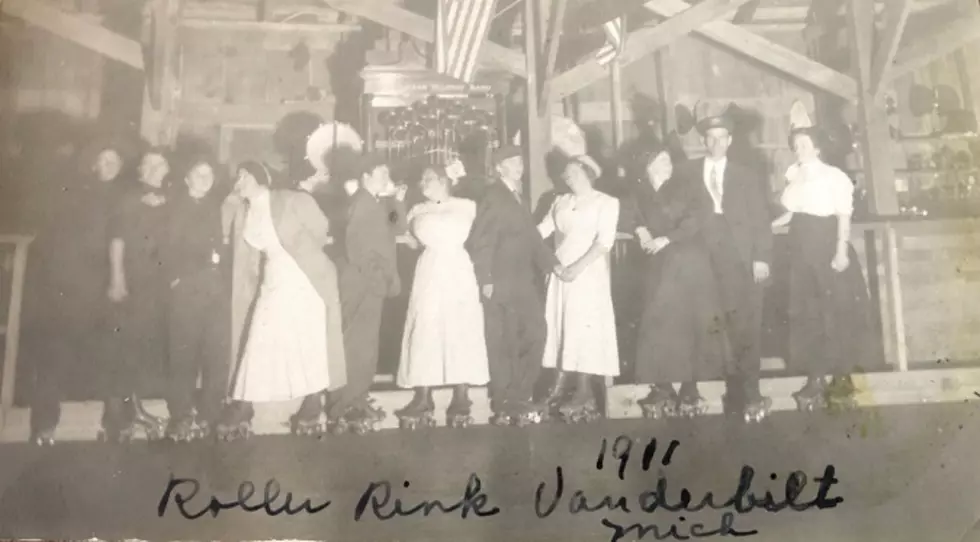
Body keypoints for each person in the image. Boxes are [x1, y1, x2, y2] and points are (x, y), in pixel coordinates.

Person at [217, 161, 347, 440]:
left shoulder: (292, 199)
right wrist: (231, 197)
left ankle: (312, 402)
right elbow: (236, 243)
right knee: (258, 338)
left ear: (260, 177)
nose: (239, 180)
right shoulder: (243, 211)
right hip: (272, 278)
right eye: (237, 176)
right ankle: (244, 403)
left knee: (308, 339)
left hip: (305, 277)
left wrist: (304, 255)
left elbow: (321, 229)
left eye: (244, 175)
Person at [26, 139, 130, 445]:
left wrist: (117, 279)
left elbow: (123, 238)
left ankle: (115, 424)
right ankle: (44, 425)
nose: (109, 166)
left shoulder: (125, 196)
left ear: (121, 167)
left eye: (115, 161)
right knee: (57, 352)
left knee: (114, 352)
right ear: (94, 165)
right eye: (104, 160)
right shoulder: (77, 195)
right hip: (75, 285)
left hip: (111, 286)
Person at [680, 111, 774, 423]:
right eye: (710, 137)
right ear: (703, 140)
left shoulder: (746, 174)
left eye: (722, 138)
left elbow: (761, 218)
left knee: (744, 323)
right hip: (701, 256)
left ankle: (749, 394)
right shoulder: (688, 172)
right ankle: (693, 391)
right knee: (703, 321)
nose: (716, 142)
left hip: (739, 257)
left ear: (730, 141)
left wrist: (761, 257)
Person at [622, 145, 728, 419]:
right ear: (648, 165)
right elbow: (629, 213)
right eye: (661, 161)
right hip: (657, 266)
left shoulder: (687, 186)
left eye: (669, 161)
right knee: (659, 324)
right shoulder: (639, 191)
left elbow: (700, 214)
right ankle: (663, 386)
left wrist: (668, 238)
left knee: (689, 323)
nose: (667, 165)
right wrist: (640, 230)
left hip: (688, 261)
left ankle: (690, 387)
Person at [772, 126, 873, 412]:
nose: (799, 149)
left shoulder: (833, 176)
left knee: (835, 311)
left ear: (817, 147)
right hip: (801, 249)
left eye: (804, 144)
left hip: (828, 246)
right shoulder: (795, 175)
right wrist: (775, 223)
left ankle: (841, 377)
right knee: (807, 313)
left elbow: (843, 214)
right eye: (796, 145)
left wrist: (841, 250)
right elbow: (795, 209)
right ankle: (814, 376)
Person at [467, 146, 562, 426]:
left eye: (520, 160)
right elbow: (481, 241)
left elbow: (532, 238)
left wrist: (553, 264)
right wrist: (485, 279)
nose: (519, 165)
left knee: (534, 333)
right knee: (505, 341)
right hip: (501, 281)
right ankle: (507, 399)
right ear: (499, 168)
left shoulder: (518, 196)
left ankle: (519, 395)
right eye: (512, 162)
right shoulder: (494, 196)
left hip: (523, 280)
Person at [394, 161, 490, 429]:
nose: (422, 184)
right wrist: (396, 203)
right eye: (421, 180)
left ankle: (462, 395)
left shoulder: (467, 205)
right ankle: (423, 395)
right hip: (428, 271)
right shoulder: (416, 209)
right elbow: (397, 227)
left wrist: (466, 174)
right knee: (425, 328)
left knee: (460, 328)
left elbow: (487, 218)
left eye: (428, 179)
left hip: (458, 270)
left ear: (444, 180)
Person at [325, 154, 406, 434]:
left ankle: (356, 399)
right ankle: (344, 404)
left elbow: (398, 227)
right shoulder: (361, 202)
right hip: (362, 281)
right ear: (366, 176)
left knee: (365, 344)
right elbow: (356, 248)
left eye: (387, 172)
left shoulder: (376, 202)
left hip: (370, 282)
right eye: (381, 173)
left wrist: (395, 200)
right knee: (355, 343)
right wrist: (378, 278)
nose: (386, 177)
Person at [538, 155, 621, 423]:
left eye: (572, 172)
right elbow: (540, 231)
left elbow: (604, 242)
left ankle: (584, 391)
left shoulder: (606, 202)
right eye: (565, 173)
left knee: (583, 325)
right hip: (560, 270)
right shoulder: (560, 201)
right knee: (562, 325)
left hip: (587, 272)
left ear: (588, 173)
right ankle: (560, 385)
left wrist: (577, 268)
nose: (566, 177)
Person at [102, 147, 172, 442]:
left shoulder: (170, 199)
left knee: (143, 346)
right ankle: (118, 416)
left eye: (160, 164)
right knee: (126, 346)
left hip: (158, 284)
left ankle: (133, 408)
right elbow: (117, 239)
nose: (154, 169)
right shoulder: (130, 199)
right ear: (141, 170)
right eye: (148, 164)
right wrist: (117, 277)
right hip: (133, 280)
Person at [161, 156, 230, 441]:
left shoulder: (217, 207)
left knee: (216, 354)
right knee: (182, 354)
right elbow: (163, 247)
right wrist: (176, 279)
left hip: (216, 290)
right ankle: (180, 416)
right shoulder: (174, 206)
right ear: (186, 177)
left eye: (209, 174)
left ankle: (209, 415)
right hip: (187, 290)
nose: (205, 178)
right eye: (198, 173)